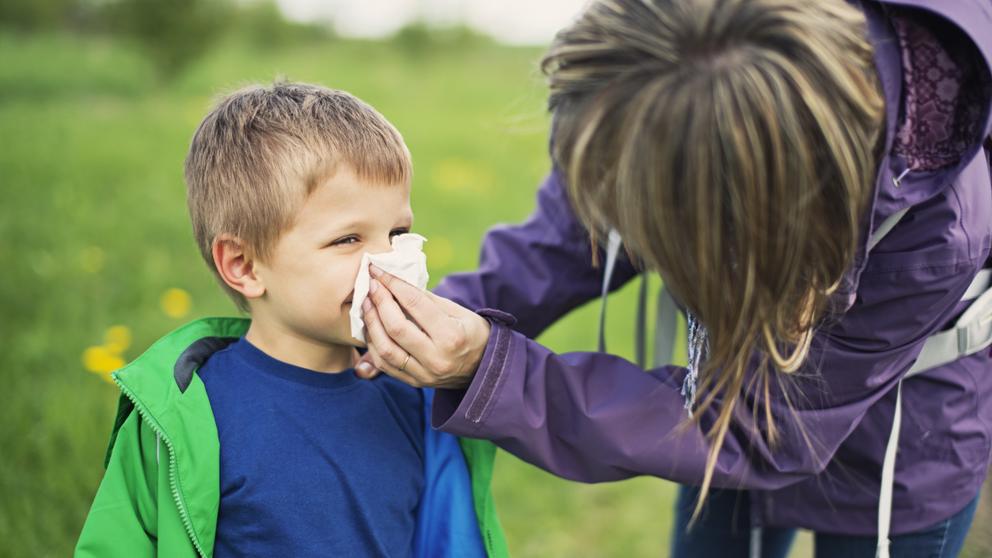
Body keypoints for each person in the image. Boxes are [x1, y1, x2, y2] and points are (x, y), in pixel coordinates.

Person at [356, 1, 992, 556]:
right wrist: (422, 319)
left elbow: (757, 431)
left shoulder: (931, 233)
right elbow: (572, 229)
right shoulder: (667, 75)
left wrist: (491, 371)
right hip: (723, 379)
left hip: (903, 439)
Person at [75, 82, 507, 558]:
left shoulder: (416, 394)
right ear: (244, 265)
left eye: (398, 233)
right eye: (348, 240)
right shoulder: (187, 413)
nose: (386, 262)